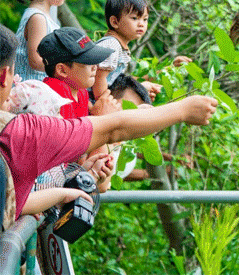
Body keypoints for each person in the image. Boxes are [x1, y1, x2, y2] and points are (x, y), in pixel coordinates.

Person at [0, 24, 217, 226]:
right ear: (63, 70)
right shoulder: (51, 100)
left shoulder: (80, 96)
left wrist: (77, 178)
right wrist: (183, 110)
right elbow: (112, 129)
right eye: (87, 61)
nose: (96, 66)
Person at [94, 0, 188, 101]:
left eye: (145, 19)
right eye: (134, 18)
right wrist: (104, 108)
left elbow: (124, 83)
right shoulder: (111, 46)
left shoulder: (119, 46)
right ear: (115, 22)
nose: (141, 24)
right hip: (92, 104)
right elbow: (99, 80)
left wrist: (169, 69)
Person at [11, 0, 73, 83]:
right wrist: (66, 70)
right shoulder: (37, 18)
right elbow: (35, 60)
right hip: (29, 92)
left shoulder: (45, 17)